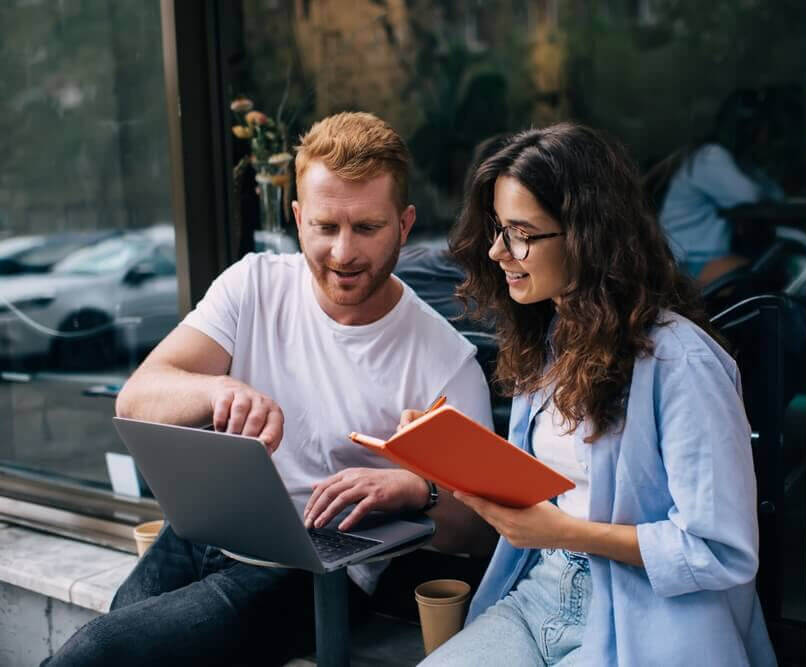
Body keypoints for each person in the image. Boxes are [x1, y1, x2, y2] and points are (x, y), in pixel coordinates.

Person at [43, 112, 495, 666]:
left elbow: (479, 533)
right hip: (208, 528)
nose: (344, 253)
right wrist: (218, 391)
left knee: (97, 651)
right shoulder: (253, 282)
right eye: (326, 227)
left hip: (311, 572)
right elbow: (137, 398)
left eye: (367, 228)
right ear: (299, 218)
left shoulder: (446, 361)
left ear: (404, 225)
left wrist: (414, 488)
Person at [405, 123, 775, 665]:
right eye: (498, 229)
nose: (497, 251)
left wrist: (568, 532)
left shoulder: (681, 362)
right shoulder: (549, 339)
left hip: (647, 614)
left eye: (520, 233)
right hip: (538, 594)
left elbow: (719, 551)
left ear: (587, 236)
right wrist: (452, 458)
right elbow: (549, 496)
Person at [653, 89, 784, 284]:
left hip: (700, 256)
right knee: (766, 275)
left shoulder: (735, 160)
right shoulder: (711, 156)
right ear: (748, 129)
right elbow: (749, 195)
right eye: (764, 128)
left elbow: (775, 193)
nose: (768, 136)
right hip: (686, 262)